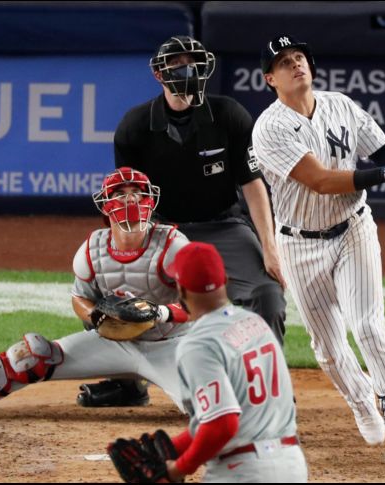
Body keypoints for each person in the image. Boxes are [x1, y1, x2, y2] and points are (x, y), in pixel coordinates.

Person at [79, 35, 288, 409]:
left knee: (267, 295)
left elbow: (253, 185)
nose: (187, 70)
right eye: (177, 64)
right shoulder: (135, 126)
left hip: (224, 225)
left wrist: (270, 250)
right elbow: (127, 197)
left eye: (193, 62)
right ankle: (126, 382)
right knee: (122, 295)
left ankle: (268, 390)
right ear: (160, 74)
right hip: (161, 228)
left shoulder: (229, 115)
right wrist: (124, 249)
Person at [0, 167, 192, 416]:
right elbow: (79, 297)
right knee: (31, 358)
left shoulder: (172, 245)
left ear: (150, 200)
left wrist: (161, 312)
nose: (131, 200)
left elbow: (203, 304)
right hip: (116, 345)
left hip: (173, 344)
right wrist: (95, 316)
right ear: (106, 204)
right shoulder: (92, 250)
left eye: (138, 193)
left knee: (205, 408)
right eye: (122, 194)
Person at [251, 34, 385, 466]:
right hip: (298, 242)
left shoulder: (341, 106)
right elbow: (322, 181)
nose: (297, 65)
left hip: (352, 229)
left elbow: (383, 151)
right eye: (285, 62)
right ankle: (363, 401)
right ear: (270, 78)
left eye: (300, 57)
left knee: (368, 326)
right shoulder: (269, 128)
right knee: (327, 348)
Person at [164, 242, 307, 483]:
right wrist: (170, 450)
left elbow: (222, 423)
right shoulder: (256, 323)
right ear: (226, 281)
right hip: (292, 465)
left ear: (181, 290)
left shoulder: (198, 344)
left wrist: (177, 469)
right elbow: (227, 416)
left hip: (242, 472)